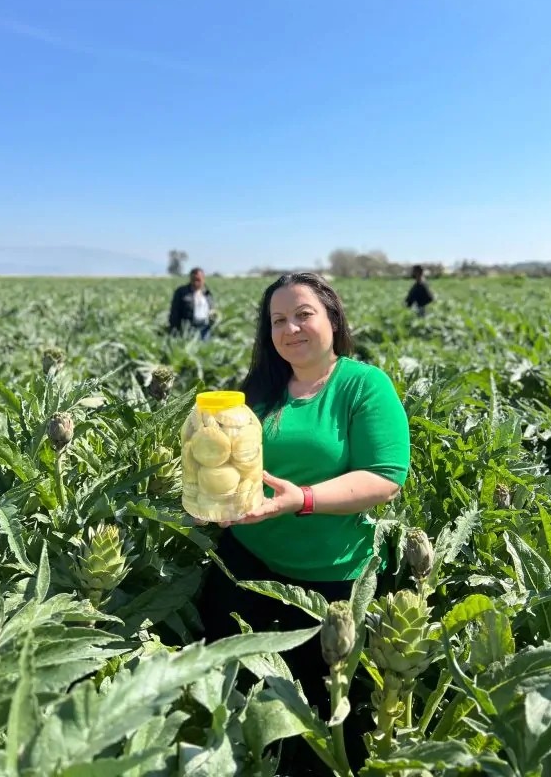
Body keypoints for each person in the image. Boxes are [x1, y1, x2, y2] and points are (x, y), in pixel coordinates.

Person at [198, 272, 410, 774]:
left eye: (303, 314)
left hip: (328, 579)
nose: (290, 328)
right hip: (241, 567)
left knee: (320, 719)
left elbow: (385, 478)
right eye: (277, 320)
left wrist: (303, 499)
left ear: (332, 320)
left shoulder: (363, 384)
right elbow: (231, 466)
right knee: (234, 696)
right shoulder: (260, 391)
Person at [168, 267, 215, 340]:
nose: (196, 282)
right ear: (190, 279)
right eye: (193, 280)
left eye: (198, 280)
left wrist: (213, 314)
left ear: (203, 279)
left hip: (205, 328)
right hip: (189, 328)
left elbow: (211, 308)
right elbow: (174, 312)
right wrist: (174, 329)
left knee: (204, 348)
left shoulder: (207, 293)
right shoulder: (182, 292)